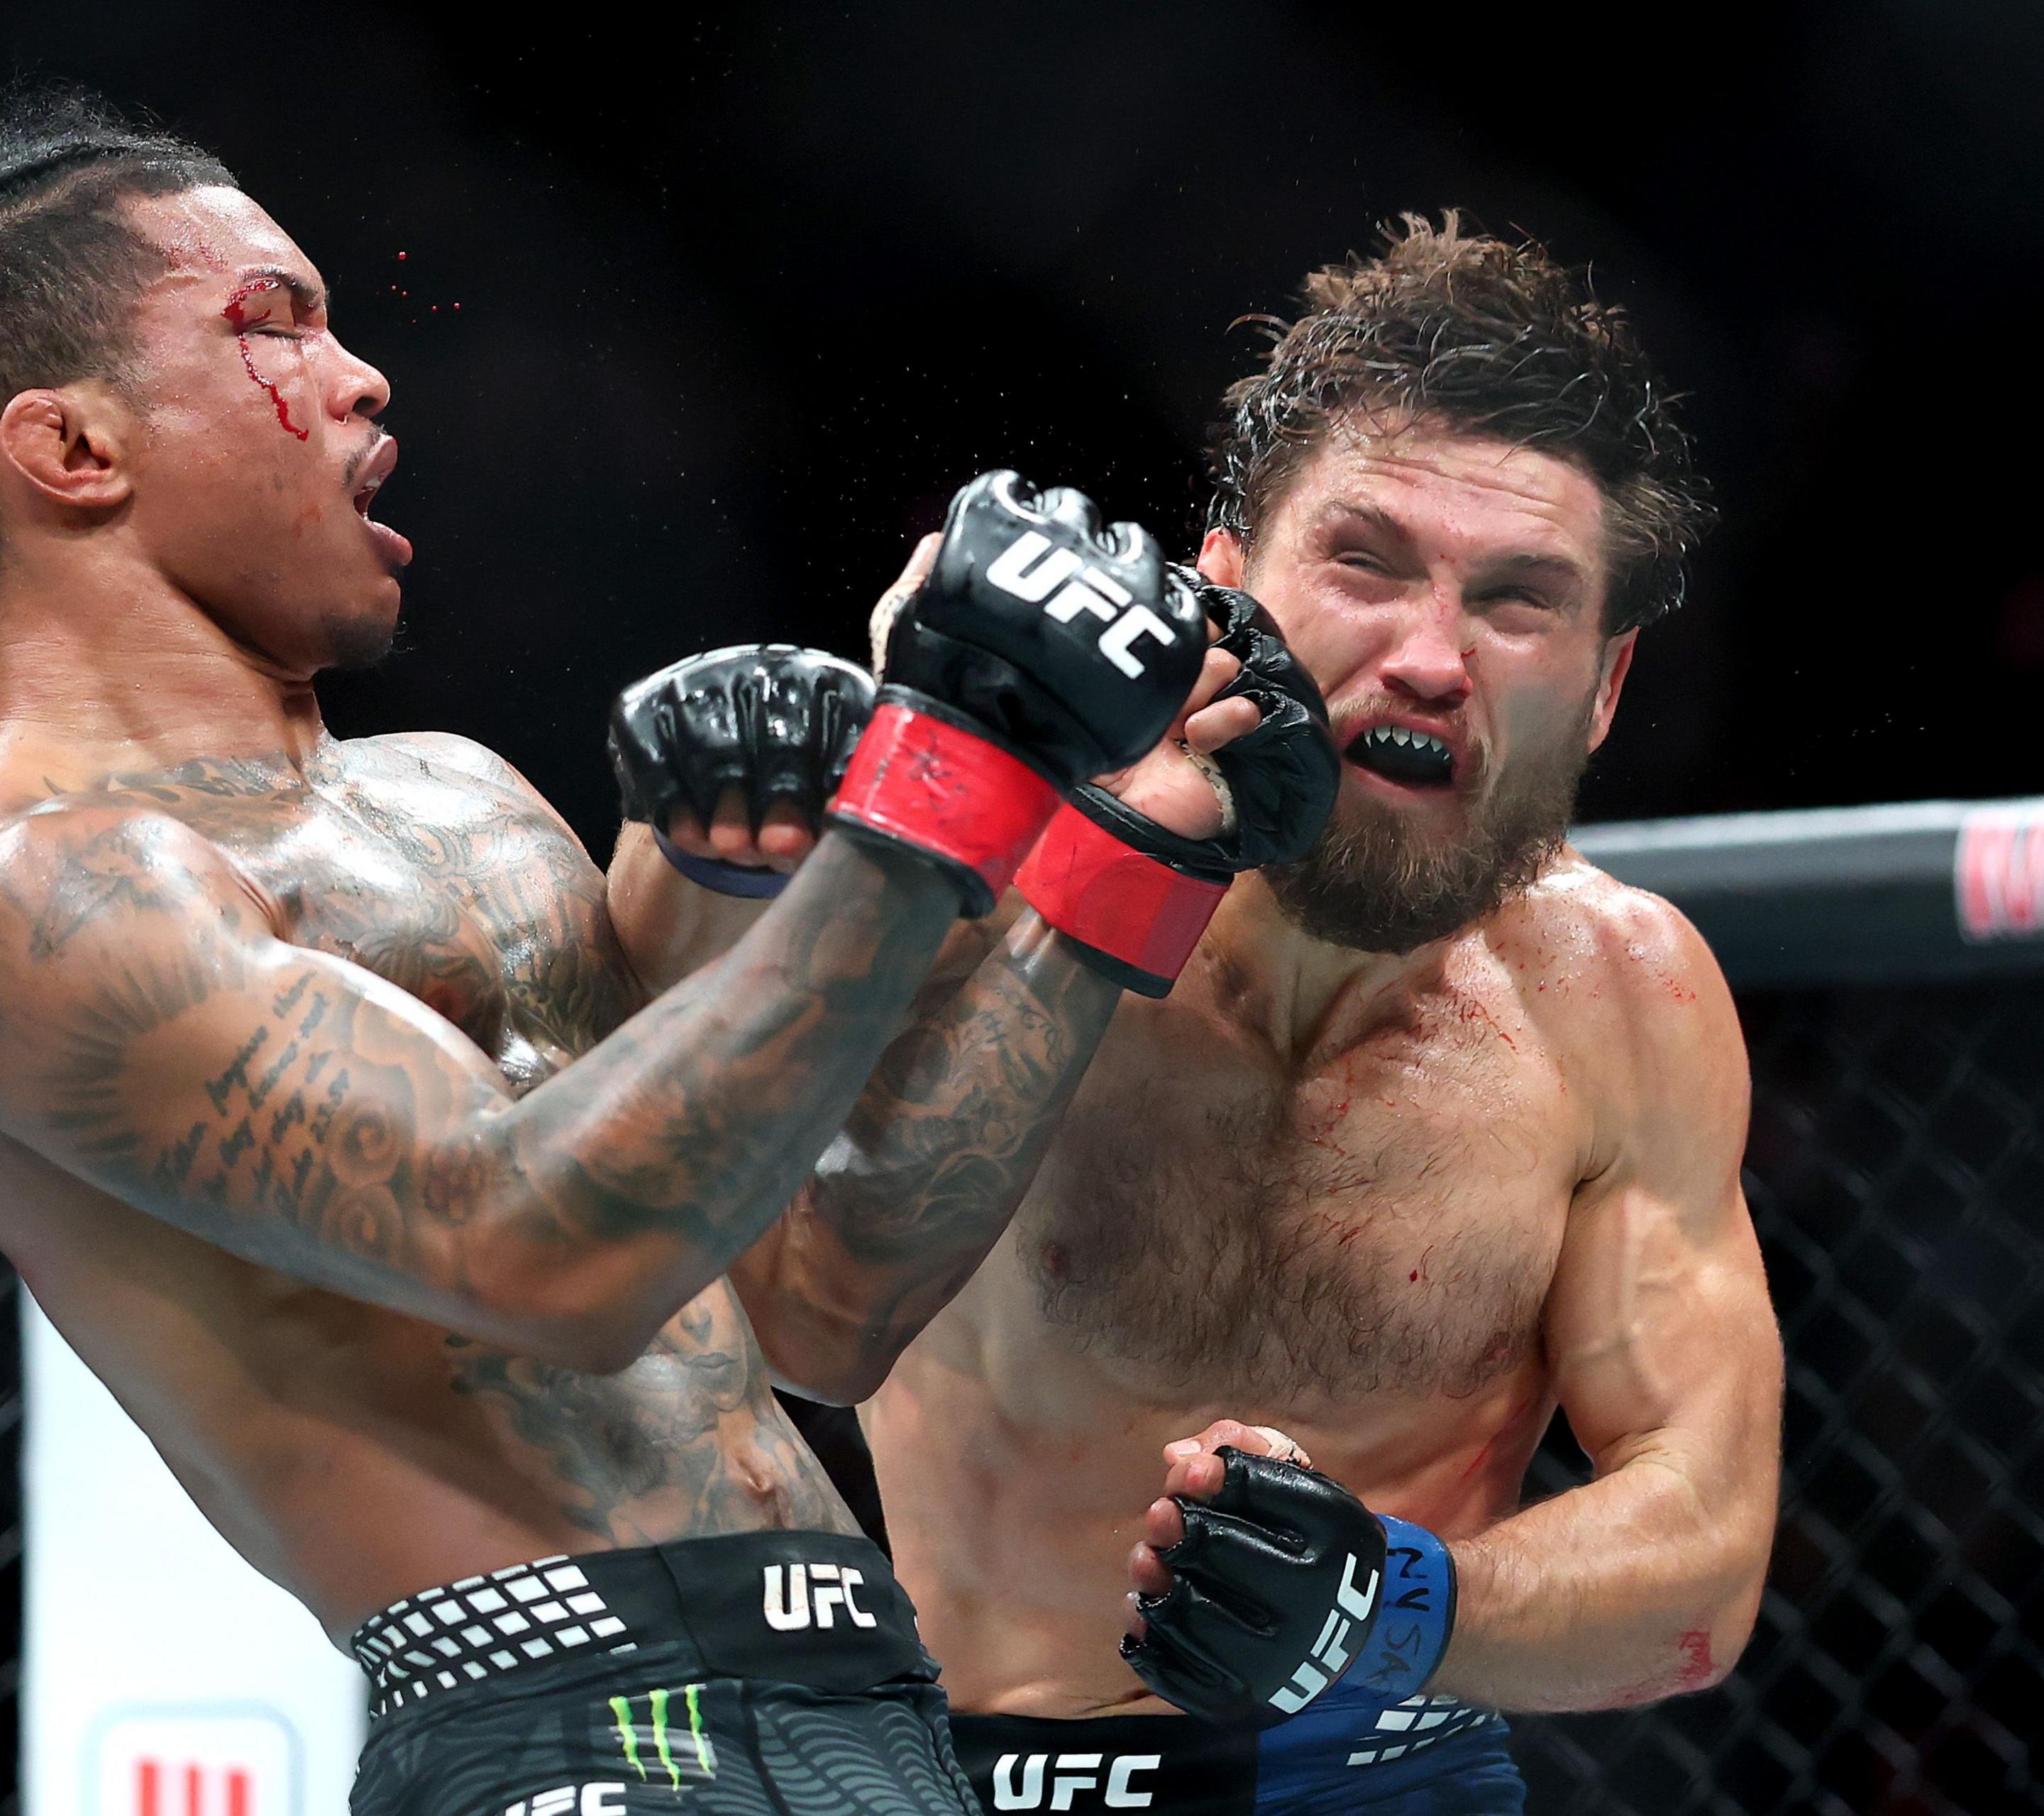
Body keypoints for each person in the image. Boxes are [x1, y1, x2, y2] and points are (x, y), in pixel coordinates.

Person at [0, 85, 1279, 1816]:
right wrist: (948, 769)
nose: (362, 373)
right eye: (273, 324)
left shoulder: (457, 801)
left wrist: (1122, 848)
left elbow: (826, 1293)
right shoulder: (44, 895)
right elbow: (541, 1249)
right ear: (73, 450)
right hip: (565, 1724)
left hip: (868, 1701)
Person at [609, 216, 1784, 1813]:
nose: (1430, 657)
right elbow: (800, 1304)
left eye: (1518, 602)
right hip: (954, 1769)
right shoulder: (987, 876)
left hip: (1382, 1772)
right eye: (1367, 561)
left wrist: (1393, 1604)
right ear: (1221, 581)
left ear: (1602, 685)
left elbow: (1700, 1561)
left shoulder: (1619, 995)